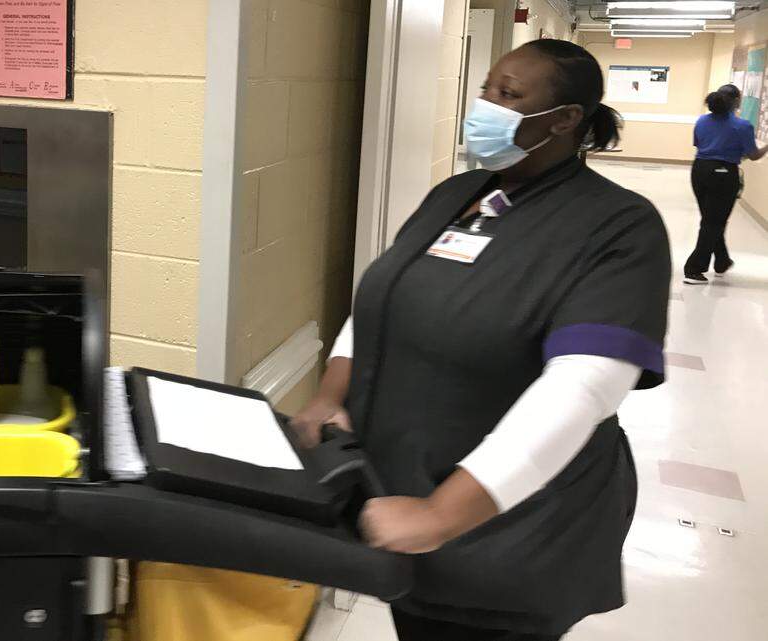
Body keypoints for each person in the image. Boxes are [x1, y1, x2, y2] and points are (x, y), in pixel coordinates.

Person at [292, 39, 671, 640]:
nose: (486, 105)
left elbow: (585, 388)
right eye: (487, 89)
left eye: (509, 95)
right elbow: (384, 298)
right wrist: (330, 394)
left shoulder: (619, 227)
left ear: (566, 119)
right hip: (407, 500)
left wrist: (442, 513)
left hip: (513, 529)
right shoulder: (458, 194)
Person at [683, 84, 768, 284]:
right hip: (723, 175)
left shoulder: (702, 121)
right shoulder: (742, 126)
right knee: (714, 222)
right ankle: (694, 269)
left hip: (699, 170)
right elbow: (754, 155)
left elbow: (699, 144)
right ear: (736, 101)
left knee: (711, 218)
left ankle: (722, 260)